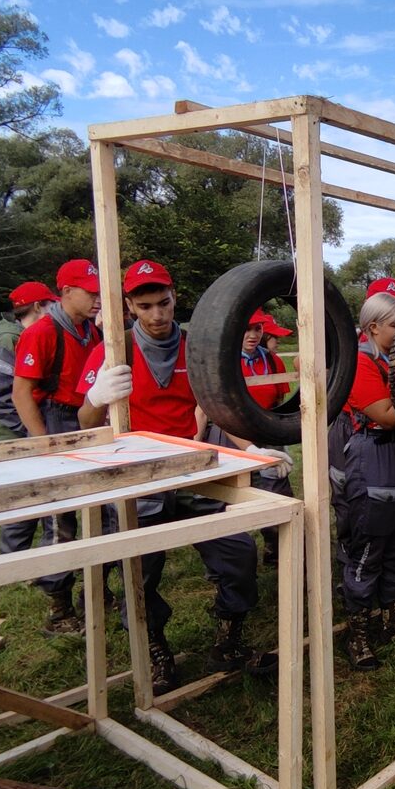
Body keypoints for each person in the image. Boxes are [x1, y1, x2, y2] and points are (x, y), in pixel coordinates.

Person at [78, 261, 284, 689]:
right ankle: (155, 649)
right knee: (138, 572)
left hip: (193, 470)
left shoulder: (197, 347)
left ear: (175, 298)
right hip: (137, 476)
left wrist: (250, 448)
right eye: (146, 305)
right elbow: (84, 421)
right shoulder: (113, 350)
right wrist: (98, 398)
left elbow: (219, 408)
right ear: (130, 307)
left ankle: (229, 636)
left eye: (165, 303)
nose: (158, 315)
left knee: (237, 552)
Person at [12, 259, 104, 634]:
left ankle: (96, 592)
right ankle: (59, 608)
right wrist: (44, 445)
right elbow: (21, 394)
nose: (98, 298)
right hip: (55, 419)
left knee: (102, 509)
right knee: (60, 516)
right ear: (66, 292)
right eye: (91, 292)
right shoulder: (43, 332)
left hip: (88, 417)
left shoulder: (92, 331)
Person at [337, 289, 395, 671]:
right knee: (368, 546)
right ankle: (357, 631)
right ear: (373, 327)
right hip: (374, 453)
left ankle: (392, 621)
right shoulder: (359, 362)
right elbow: (386, 414)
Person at [0, 280, 56, 558]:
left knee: (37, 499)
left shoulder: (26, 336)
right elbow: (1, 397)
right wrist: (29, 432)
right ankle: (11, 562)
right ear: (38, 306)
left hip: (27, 431)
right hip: (10, 434)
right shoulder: (8, 340)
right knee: (22, 502)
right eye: (52, 304)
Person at [241, 311, 294, 565]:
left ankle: (276, 549)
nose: (252, 335)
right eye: (247, 328)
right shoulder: (225, 360)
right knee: (235, 493)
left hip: (268, 432)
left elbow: (280, 400)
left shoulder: (273, 361)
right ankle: (232, 560)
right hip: (235, 433)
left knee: (277, 490)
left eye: (257, 329)